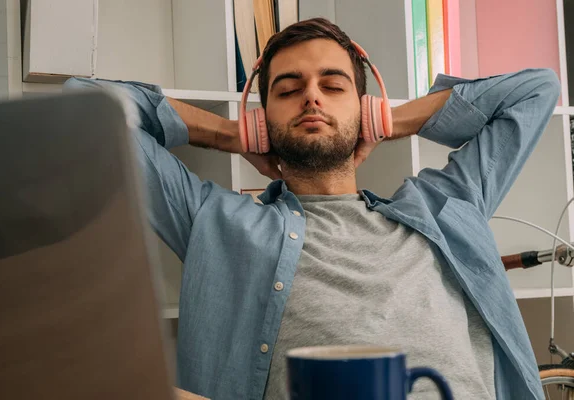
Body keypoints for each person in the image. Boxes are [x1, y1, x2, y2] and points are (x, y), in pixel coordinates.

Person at [64, 17, 560, 400]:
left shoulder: (444, 207)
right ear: (263, 119)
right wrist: (228, 133)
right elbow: (83, 105)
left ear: (364, 108)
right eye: (288, 89)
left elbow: (536, 89)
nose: (312, 98)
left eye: (334, 85)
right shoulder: (215, 222)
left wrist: (392, 118)